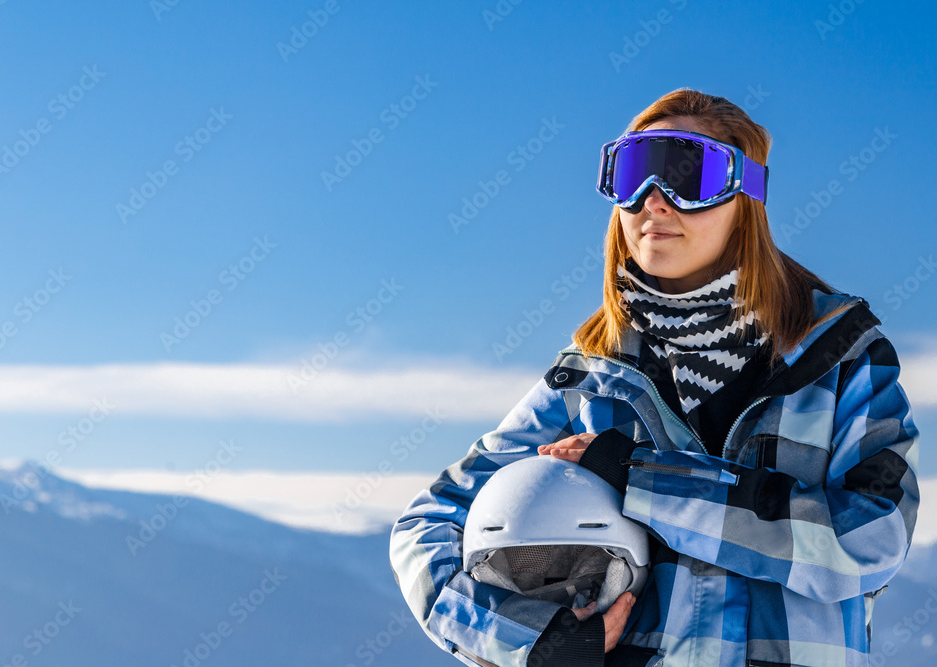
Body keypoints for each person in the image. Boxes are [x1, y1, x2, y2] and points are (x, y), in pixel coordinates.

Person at [389, 88, 920, 667]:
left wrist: (644, 480)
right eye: (634, 174)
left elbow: (872, 540)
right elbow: (431, 522)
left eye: (689, 176)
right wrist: (529, 641)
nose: (654, 202)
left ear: (748, 198)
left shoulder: (838, 355)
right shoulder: (591, 375)